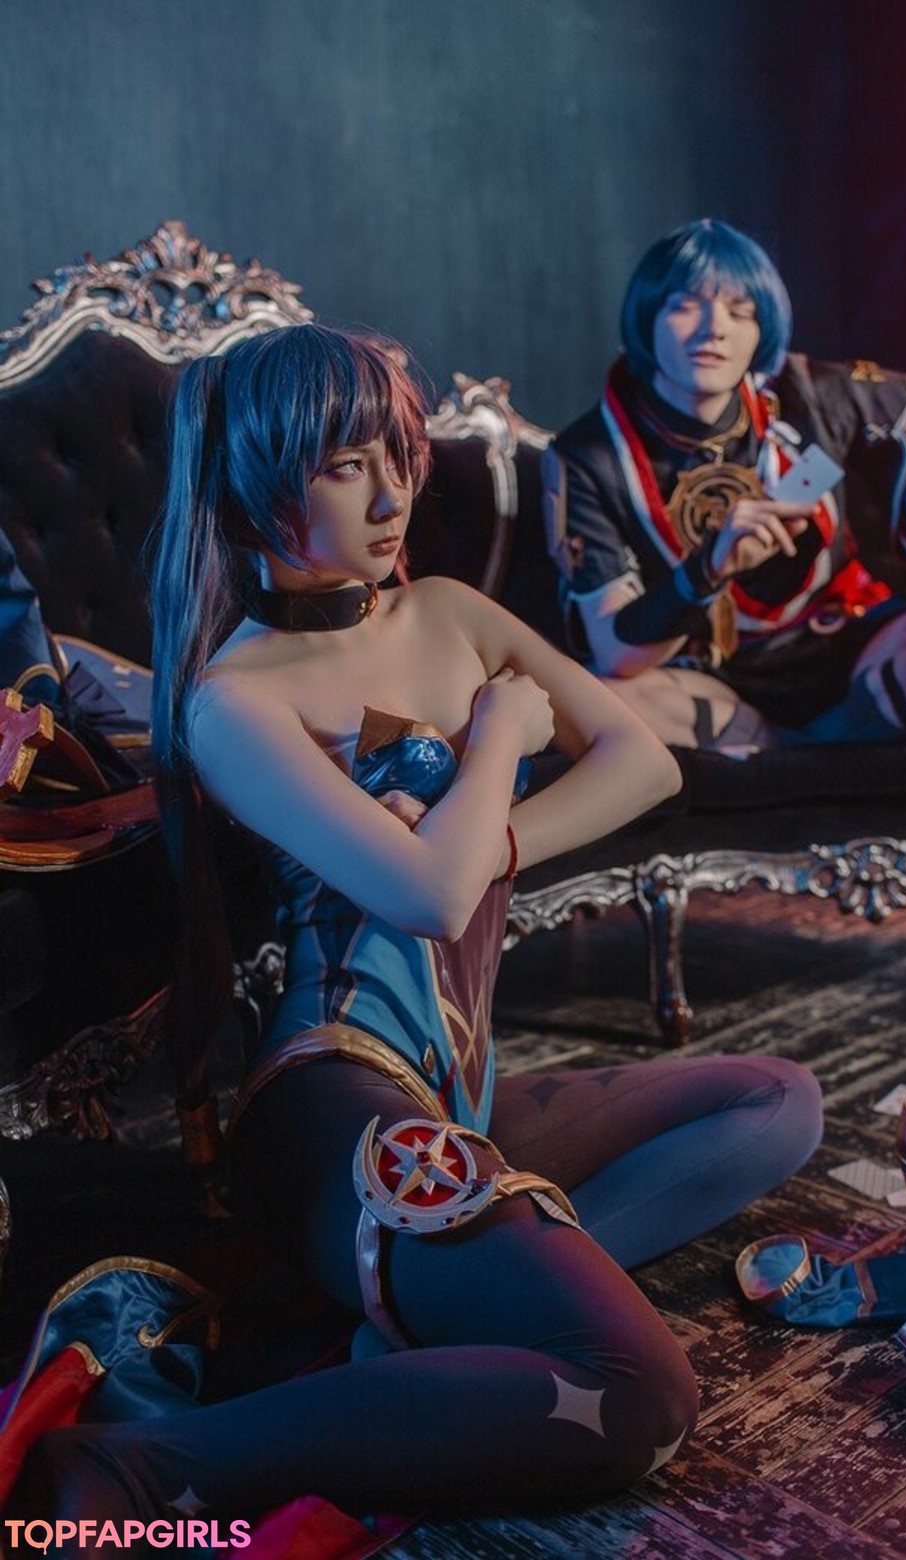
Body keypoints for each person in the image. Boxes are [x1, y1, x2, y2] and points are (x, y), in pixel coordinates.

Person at [11, 324, 822, 1540]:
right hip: (326, 1101)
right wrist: (497, 740)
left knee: (778, 1103)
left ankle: (435, 1317)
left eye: (397, 456)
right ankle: (140, 1466)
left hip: (458, 1092)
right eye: (348, 466)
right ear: (257, 483)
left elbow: (643, 762)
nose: (393, 497)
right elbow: (433, 904)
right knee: (641, 1394)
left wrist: (479, 837)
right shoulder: (236, 702)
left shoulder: (446, 610)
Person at [545, 218, 906, 750]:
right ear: (646, 316)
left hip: (851, 645)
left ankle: (814, 748)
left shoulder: (809, 392)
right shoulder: (588, 454)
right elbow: (616, 653)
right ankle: (817, 750)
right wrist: (710, 566)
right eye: (685, 306)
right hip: (709, 677)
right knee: (594, 698)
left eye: (740, 311)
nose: (714, 329)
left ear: (762, 328)